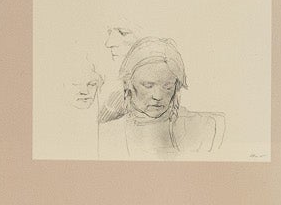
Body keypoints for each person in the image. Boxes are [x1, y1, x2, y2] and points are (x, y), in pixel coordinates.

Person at [95, 36, 225, 159]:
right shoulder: (107, 134)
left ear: (177, 86)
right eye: (148, 85)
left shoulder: (205, 128)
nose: (158, 96)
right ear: (128, 83)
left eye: (167, 86)